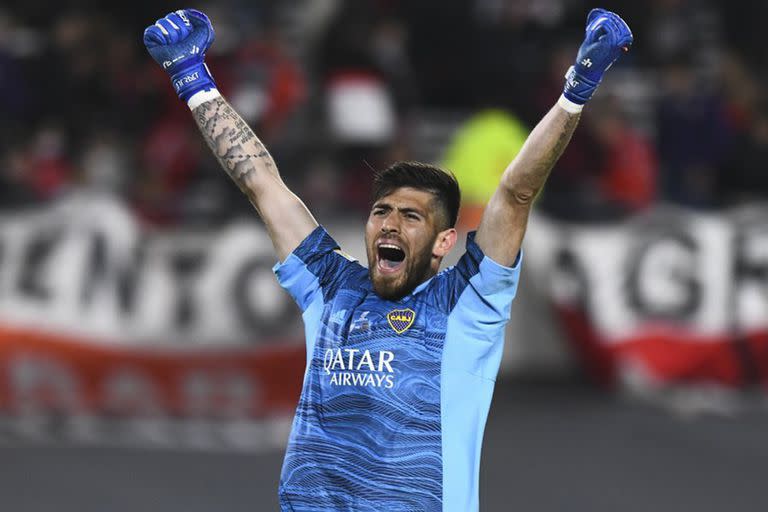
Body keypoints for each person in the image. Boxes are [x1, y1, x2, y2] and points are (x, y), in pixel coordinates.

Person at [143, 8, 632, 511]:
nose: (391, 224)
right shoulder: (331, 286)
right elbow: (262, 184)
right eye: (382, 211)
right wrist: (193, 80)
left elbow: (515, 194)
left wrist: (576, 91)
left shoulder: (468, 301)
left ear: (445, 242)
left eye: (411, 217)